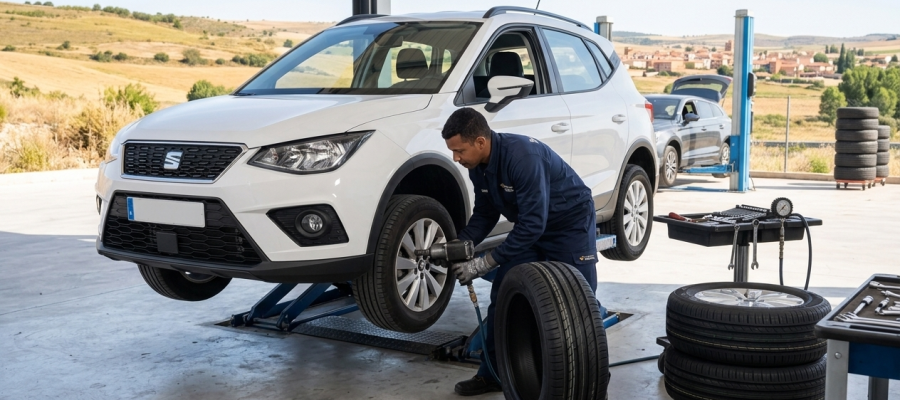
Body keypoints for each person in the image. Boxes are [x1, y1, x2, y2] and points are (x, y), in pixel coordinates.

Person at [443, 107, 599, 396]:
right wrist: (463, 243)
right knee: (503, 295)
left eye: (459, 150)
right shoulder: (478, 166)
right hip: (532, 228)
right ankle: (492, 374)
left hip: (569, 225)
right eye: (452, 151)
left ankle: (589, 381)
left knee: (579, 301)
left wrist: (484, 263)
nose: (456, 158)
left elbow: (532, 225)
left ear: (480, 142)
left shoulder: (522, 157)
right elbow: (486, 212)